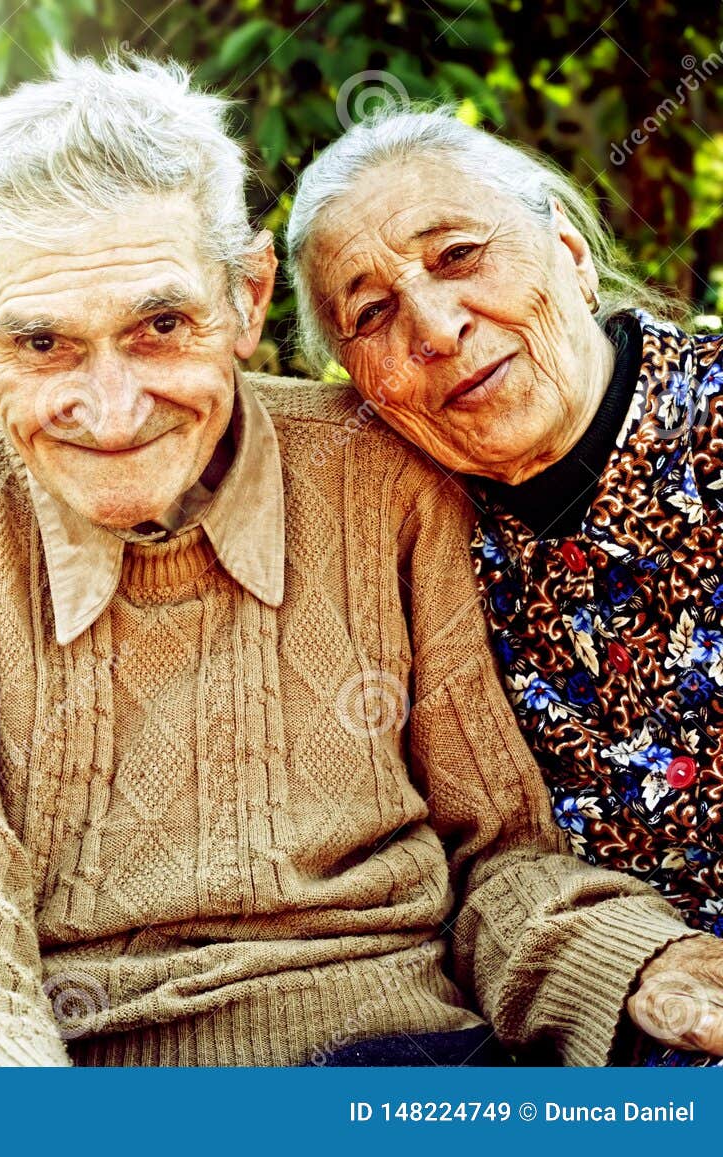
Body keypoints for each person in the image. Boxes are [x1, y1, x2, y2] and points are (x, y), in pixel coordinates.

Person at [0, 54, 723, 1067]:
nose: (111, 409)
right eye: (43, 342)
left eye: (161, 324)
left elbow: (499, 859)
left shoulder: (376, 477)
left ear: (246, 297)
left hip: (417, 1065)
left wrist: (648, 972)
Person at [285, 107, 723, 1065]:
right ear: (359, 384)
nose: (437, 329)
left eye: (458, 255)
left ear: (567, 250)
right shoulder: (402, 548)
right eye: (370, 314)